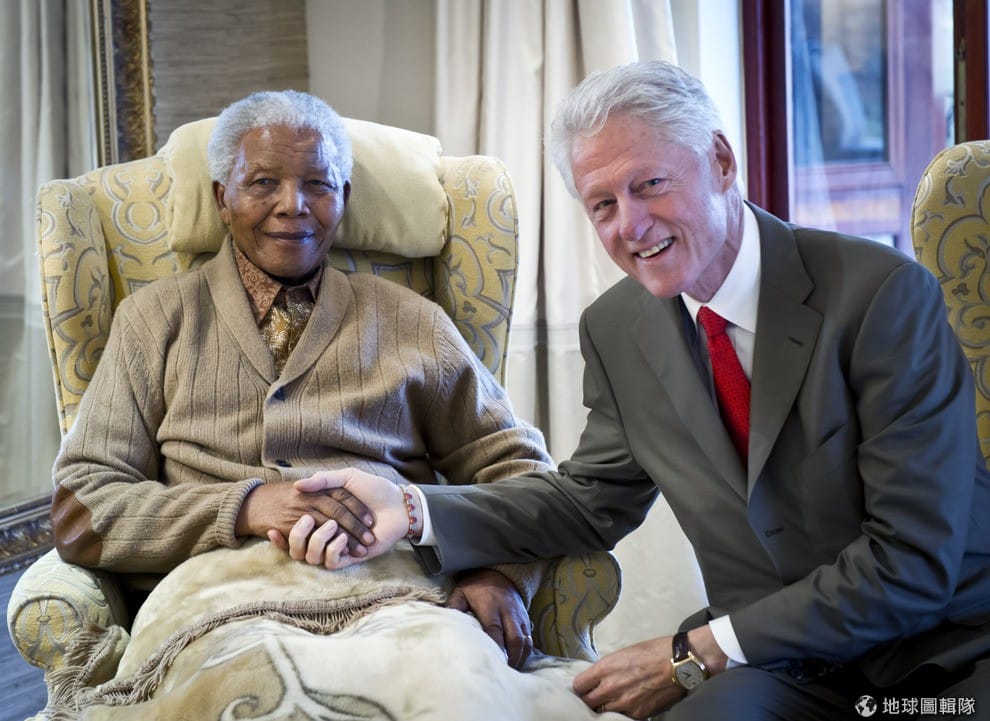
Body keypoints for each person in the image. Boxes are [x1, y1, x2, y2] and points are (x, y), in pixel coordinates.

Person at [286, 61, 990, 720]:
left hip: (943, 653)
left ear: (721, 162)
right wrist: (413, 508)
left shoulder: (880, 296)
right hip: (783, 667)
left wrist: (699, 650)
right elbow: (590, 502)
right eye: (602, 204)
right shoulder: (617, 328)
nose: (630, 225)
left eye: (650, 184)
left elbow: (911, 564)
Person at [50, 89, 554, 671]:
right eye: (263, 182)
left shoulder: (415, 321)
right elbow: (82, 507)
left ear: (344, 198)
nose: (293, 205)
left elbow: (523, 472)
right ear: (222, 198)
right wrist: (247, 506)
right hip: (214, 607)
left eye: (318, 184)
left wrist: (497, 572)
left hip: (396, 599)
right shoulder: (152, 319)